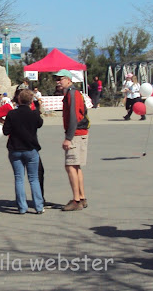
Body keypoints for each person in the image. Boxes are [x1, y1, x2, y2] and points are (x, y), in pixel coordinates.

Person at [2, 89, 44, 214]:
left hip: (15, 148)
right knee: (34, 178)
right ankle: (39, 206)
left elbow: (5, 131)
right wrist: (37, 109)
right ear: (31, 100)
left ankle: (22, 207)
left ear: (19, 100)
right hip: (30, 148)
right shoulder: (34, 114)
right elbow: (39, 124)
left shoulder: (12, 114)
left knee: (19, 178)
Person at [55, 69, 90, 212]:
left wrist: (68, 138)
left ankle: (76, 200)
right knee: (76, 166)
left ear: (69, 80)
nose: (58, 81)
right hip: (80, 133)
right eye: (57, 79)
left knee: (70, 166)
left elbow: (74, 117)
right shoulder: (73, 93)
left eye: (61, 79)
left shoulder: (72, 94)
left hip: (76, 134)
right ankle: (81, 197)